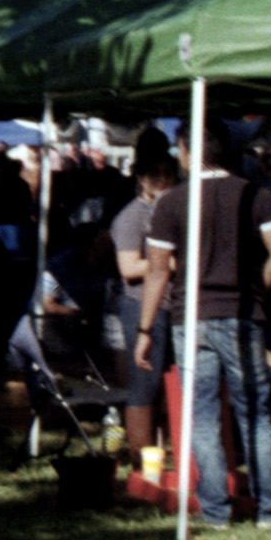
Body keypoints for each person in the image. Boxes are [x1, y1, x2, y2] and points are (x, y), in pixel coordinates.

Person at [136, 121, 271, 527]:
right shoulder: (256, 194)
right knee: (254, 414)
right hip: (243, 316)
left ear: (188, 150)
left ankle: (215, 510)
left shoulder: (171, 202)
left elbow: (157, 272)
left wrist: (144, 329)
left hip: (191, 319)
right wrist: (255, 291)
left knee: (202, 417)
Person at [109, 136, 179, 459]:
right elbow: (128, 266)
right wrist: (167, 262)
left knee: (169, 381)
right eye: (155, 174)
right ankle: (140, 457)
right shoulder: (130, 217)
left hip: (171, 305)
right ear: (140, 178)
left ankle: (166, 449)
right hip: (141, 305)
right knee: (145, 384)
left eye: (168, 172)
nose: (163, 180)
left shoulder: (173, 211)